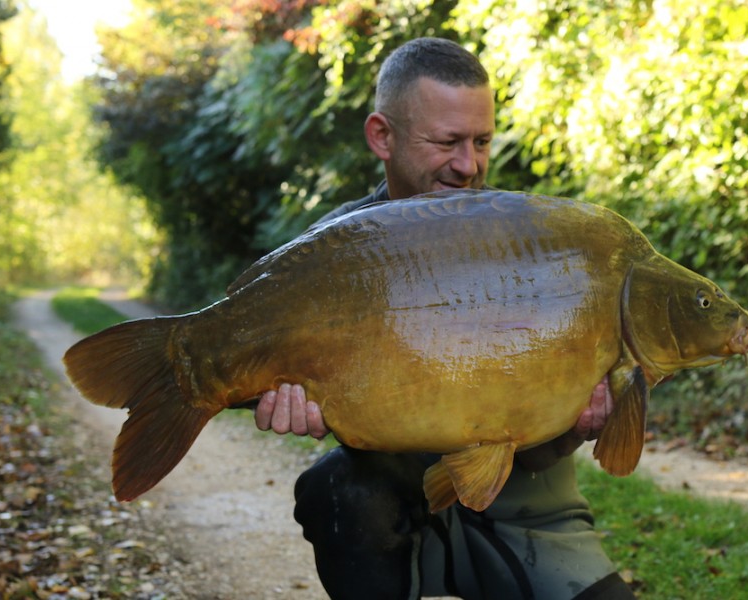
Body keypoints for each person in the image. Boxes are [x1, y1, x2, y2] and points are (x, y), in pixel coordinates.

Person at [255, 37, 637, 600]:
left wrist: (579, 424)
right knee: (336, 489)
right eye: (448, 141)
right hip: (400, 509)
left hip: (528, 512)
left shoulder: (533, 237)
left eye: (482, 141)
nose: (469, 165)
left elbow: (538, 442)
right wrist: (278, 393)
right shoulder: (334, 252)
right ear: (382, 136)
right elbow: (258, 358)